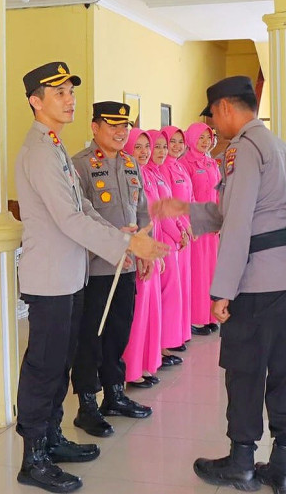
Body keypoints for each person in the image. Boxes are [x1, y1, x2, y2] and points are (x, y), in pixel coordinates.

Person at [153, 76, 286, 494]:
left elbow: (240, 222)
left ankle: (242, 463)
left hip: (261, 282)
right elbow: (240, 210)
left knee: (245, 369)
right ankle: (281, 466)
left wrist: (222, 290)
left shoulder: (242, 148)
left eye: (213, 115)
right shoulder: (275, 144)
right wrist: (186, 208)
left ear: (226, 107)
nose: (212, 125)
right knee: (285, 369)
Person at [14, 61, 167, 493]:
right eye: (59, 93)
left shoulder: (55, 146)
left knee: (61, 362)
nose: (69, 99)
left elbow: (83, 208)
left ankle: (52, 437)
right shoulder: (39, 150)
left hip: (70, 275)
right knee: (44, 366)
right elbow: (68, 218)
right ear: (35, 101)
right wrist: (125, 244)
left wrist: (124, 237)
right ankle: (33, 458)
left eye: (70, 92)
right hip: (50, 278)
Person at [68, 102, 153, 439]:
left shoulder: (131, 164)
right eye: (112, 125)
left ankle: (114, 394)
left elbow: (142, 211)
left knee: (119, 330)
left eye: (124, 126)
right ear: (94, 127)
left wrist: (144, 248)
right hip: (97, 268)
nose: (120, 132)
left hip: (127, 266)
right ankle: (87, 403)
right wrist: (115, 240)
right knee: (91, 335)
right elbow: (81, 216)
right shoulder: (80, 165)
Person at [122, 129, 164, 389]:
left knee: (148, 312)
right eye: (137, 146)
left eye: (146, 146)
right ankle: (131, 370)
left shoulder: (146, 174)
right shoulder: (128, 175)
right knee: (136, 315)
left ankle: (145, 364)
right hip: (136, 252)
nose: (145, 152)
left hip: (148, 249)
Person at [145, 129, 190, 366]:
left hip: (170, 237)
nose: (162, 151)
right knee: (165, 294)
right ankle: (159, 348)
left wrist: (182, 229)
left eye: (165, 146)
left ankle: (164, 345)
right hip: (160, 240)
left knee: (171, 293)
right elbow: (158, 213)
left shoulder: (156, 173)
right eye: (159, 146)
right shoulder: (148, 173)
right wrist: (177, 233)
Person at [161, 125, 201, 340]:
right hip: (173, 233)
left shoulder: (179, 167)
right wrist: (183, 228)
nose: (176, 146)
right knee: (173, 290)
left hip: (185, 231)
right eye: (172, 142)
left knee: (184, 285)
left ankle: (181, 334)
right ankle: (170, 338)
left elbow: (190, 198)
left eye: (180, 142)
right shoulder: (163, 168)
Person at [183, 122, 221, 334]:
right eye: (201, 138)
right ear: (191, 139)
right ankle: (196, 318)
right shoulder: (185, 163)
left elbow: (218, 192)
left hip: (211, 226)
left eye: (208, 138)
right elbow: (185, 196)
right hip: (196, 225)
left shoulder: (211, 162)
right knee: (197, 273)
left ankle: (209, 315)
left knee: (210, 271)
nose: (205, 142)